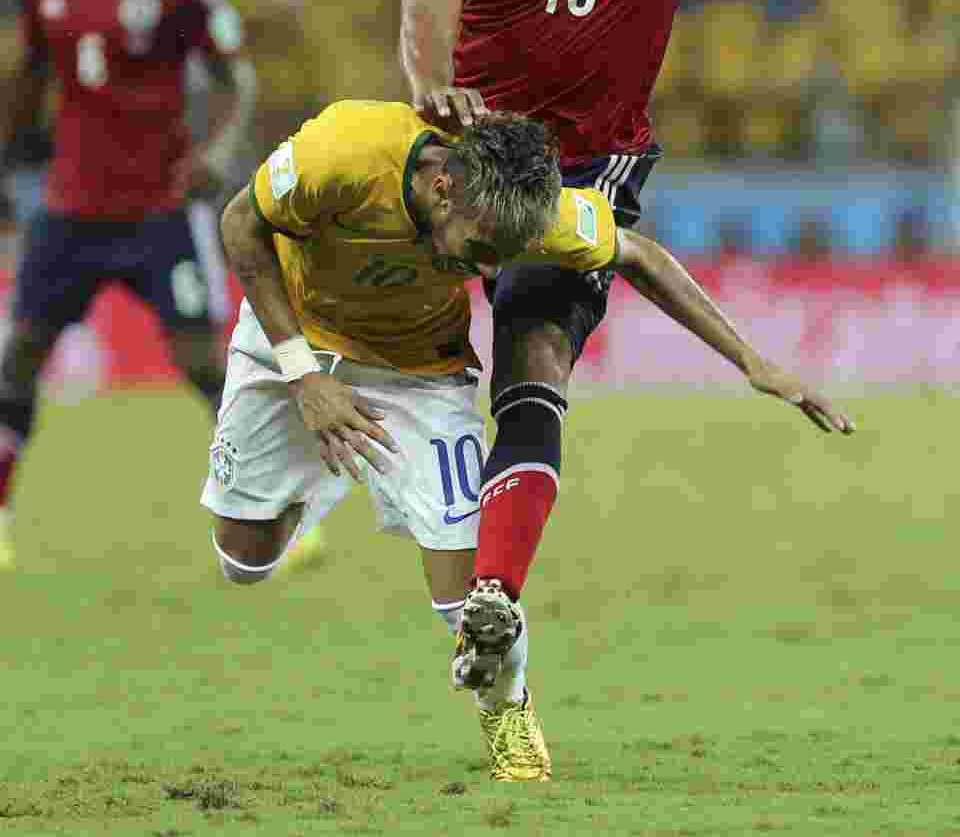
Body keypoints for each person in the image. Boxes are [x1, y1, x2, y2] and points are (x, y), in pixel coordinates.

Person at [396, 0, 960, 681]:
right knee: (367, 351)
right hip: (464, 155)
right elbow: (424, 11)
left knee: (532, 348)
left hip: (588, 168)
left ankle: (495, 601)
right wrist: (431, 91)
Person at [208, 98, 851, 781]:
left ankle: (509, 709)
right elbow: (240, 223)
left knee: (473, 598)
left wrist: (753, 361)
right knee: (243, 558)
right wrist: (304, 378)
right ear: (444, 185)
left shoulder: (525, 212)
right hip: (296, 343)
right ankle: (322, 470)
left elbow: (641, 256)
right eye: (483, 252)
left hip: (420, 372)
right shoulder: (345, 149)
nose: (487, 271)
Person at [0, 0, 258, 568]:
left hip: (160, 207)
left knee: (202, 365)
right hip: (70, 207)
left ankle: (273, 512)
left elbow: (238, 77)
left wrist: (216, 152)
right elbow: (28, 74)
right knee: (20, 356)